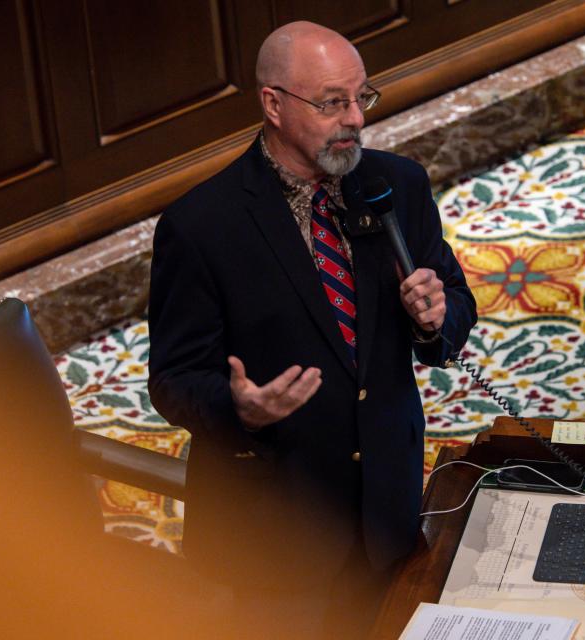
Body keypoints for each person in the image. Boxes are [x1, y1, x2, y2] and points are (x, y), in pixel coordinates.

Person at [147, 21, 477, 636]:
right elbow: (171, 380)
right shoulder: (200, 227)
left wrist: (437, 318)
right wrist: (240, 407)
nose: (355, 117)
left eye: (362, 97)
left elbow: (453, 300)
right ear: (273, 104)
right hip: (277, 534)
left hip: (387, 508)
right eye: (332, 102)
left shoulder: (395, 185)